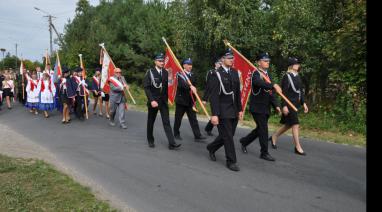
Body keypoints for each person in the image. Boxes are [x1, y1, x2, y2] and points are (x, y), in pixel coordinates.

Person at [239, 52, 282, 161]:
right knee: (263, 129)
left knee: (260, 129)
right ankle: (264, 152)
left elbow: (270, 93)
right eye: (265, 61)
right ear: (259, 62)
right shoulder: (256, 73)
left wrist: (276, 105)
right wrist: (273, 85)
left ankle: (244, 141)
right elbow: (259, 83)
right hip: (257, 108)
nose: (267, 62)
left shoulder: (268, 75)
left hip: (266, 108)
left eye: (268, 61)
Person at [206, 49, 243, 171]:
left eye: (232, 58)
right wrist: (215, 114)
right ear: (222, 59)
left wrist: (240, 109)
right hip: (223, 109)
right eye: (228, 58)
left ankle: (212, 147)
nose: (231, 60)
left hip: (234, 109)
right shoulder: (215, 74)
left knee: (228, 135)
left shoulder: (234, 73)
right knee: (228, 136)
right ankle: (231, 161)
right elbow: (214, 96)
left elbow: (237, 93)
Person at [269, 57, 309, 155]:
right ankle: (298, 147)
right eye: (296, 63)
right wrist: (284, 106)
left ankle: (274, 136)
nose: (298, 65)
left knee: (289, 124)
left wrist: (303, 103)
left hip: (296, 104)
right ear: (291, 65)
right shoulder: (286, 76)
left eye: (298, 63)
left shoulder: (298, 76)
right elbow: (283, 93)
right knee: (295, 124)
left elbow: (300, 91)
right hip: (289, 104)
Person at [143, 53, 181, 150]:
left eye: (163, 61)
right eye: (159, 61)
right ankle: (150, 140)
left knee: (166, 122)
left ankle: (172, 143)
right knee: (151, 121)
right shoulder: (150, 72)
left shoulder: (165, 72)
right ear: (155, 61)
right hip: (154, 101)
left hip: (163, 102)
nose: (162, 62)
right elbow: (147, 88)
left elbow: (167, 86)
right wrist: (151, 100)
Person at [173, 58, 206, 142]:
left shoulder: (193, 75)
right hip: (181, 101)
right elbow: (181, 85)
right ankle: (176, 133)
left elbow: (195, 86)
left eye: (191, 65)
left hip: (190, 101)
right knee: (178, 119)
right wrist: (190, 87)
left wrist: (195, 98)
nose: (190, 66)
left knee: (193, 119)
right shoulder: (179, 74)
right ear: (184, 65)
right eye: (188, 64)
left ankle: (197, 135)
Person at [202, 58, 222, 136]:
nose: (220, 64)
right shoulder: (211, 72)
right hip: (213, 97)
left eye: (221, 63)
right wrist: (205, 99)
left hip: (221, 97)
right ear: (215, 64)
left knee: (219, 114)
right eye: (218, 63)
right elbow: (208, 86)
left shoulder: (223, 73)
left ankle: (208, 128)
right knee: (216, 114)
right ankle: (221, 132)